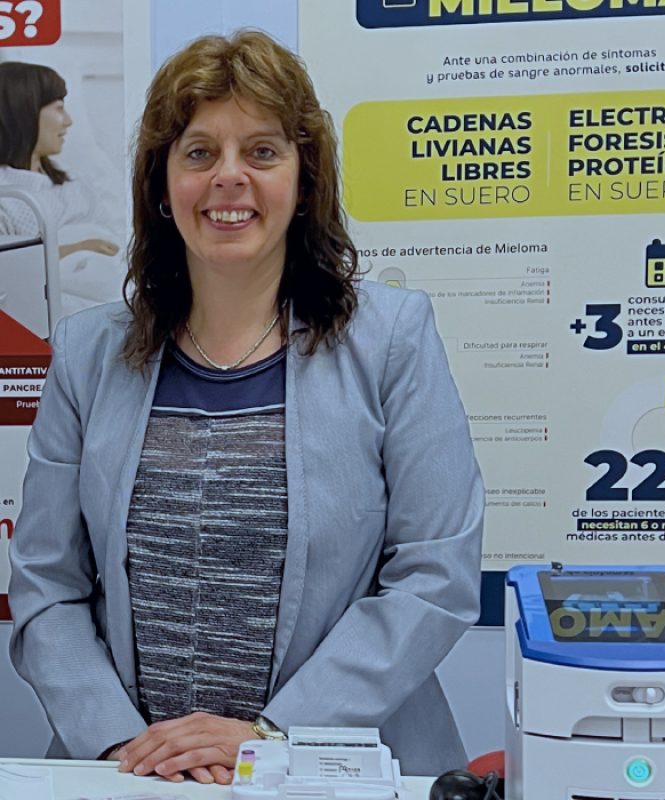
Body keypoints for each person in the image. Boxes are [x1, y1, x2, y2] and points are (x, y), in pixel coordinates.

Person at [8, 31, 484, 784]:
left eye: (262, 151)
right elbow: (47, 584)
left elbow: (435, 576)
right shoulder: (87, 354)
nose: (229, 177)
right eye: (199, 153)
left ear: (304, 180)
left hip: (329, 769)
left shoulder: (393, 338)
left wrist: (269, 739)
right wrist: (124, 747)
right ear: (162, 185)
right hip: (131, 777)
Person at [0, 60, 119, 257]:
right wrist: (75, 249)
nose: (68, 121)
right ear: (24, 112)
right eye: (59, 108)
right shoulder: (7, 200)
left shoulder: (75, 184)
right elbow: (9, 266)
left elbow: (111, 240)